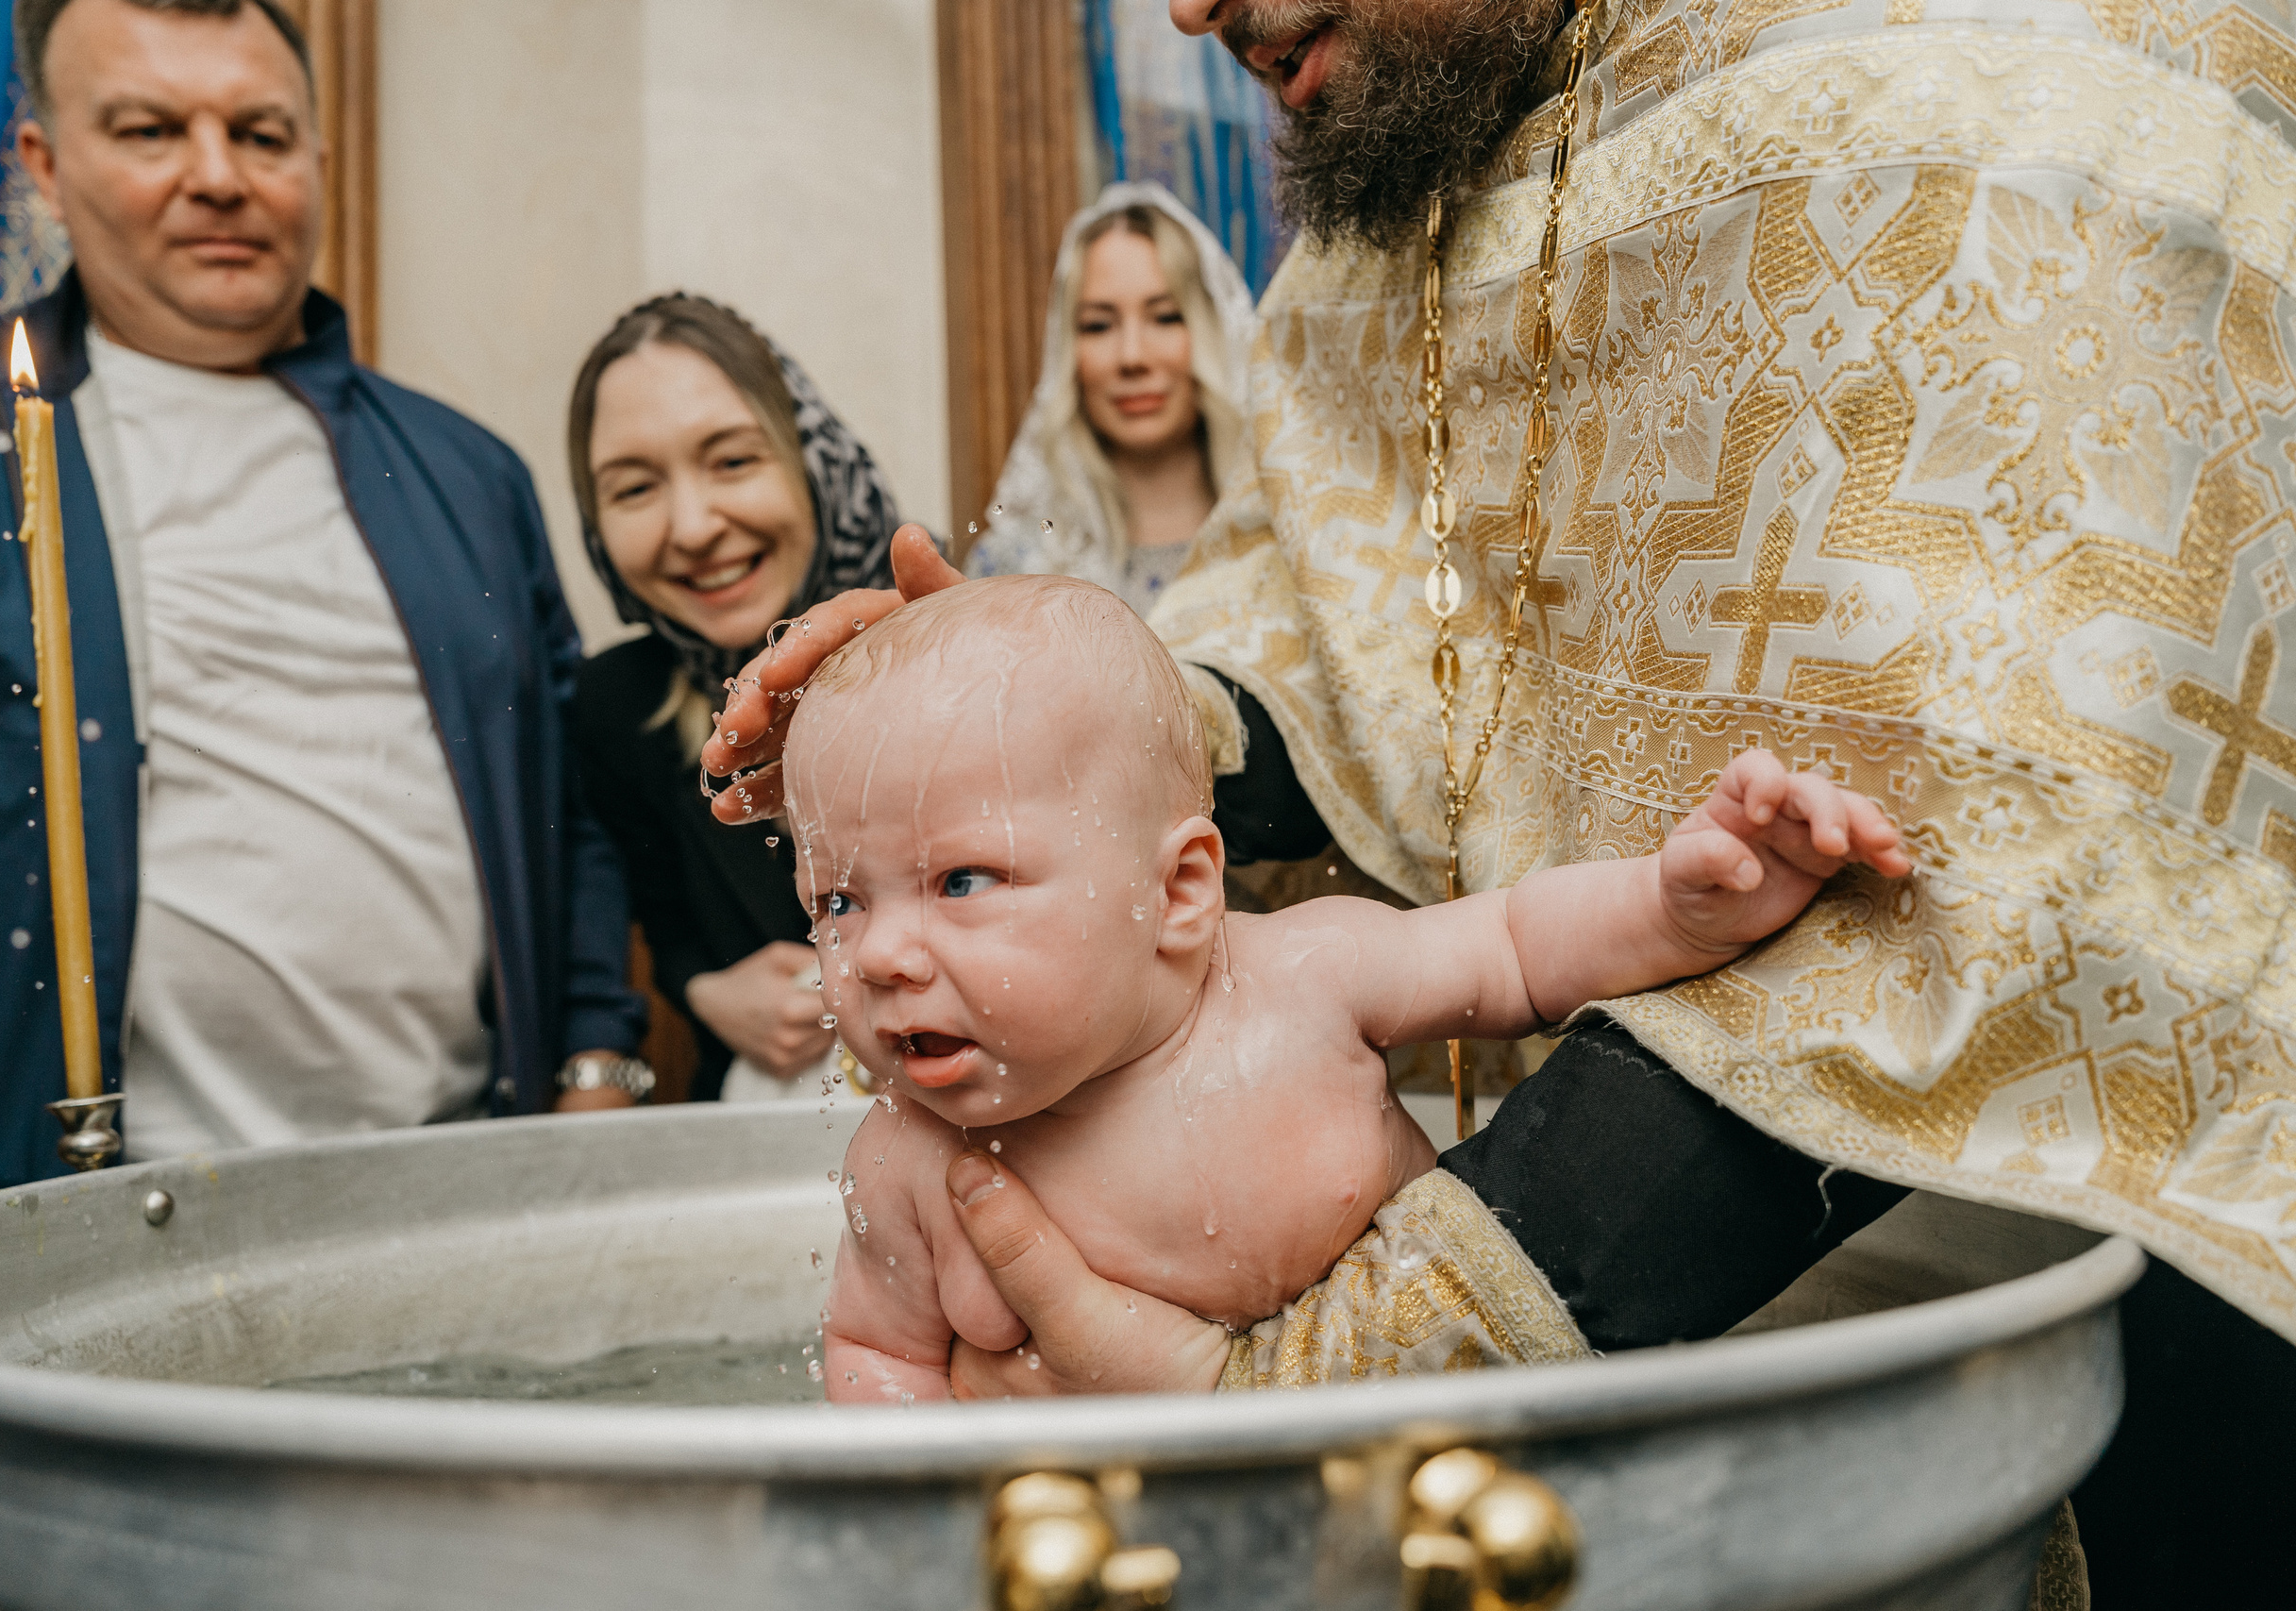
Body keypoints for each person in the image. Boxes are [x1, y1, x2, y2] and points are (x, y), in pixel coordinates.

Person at [711, 0, 2296, 1598]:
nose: (1189, 7)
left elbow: (2004, 825)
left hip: (2088, 1289)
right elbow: (1353, 646)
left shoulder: (2015, 56)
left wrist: (1322, 1386)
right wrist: (1020, 743)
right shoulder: (1422, 158)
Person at [0, 0, 645, 1211]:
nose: (218, 177)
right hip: (80, 1217)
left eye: (262, 134)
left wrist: (597, 1061)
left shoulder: (464, 473)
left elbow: (567, 811)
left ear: (316, 162)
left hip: (456, 1180)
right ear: (44, 162)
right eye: (148, 131)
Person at [796, 576, 1908, 1403]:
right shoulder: (907, 1162)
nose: (881, 955)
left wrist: (1674, 910)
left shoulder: (1304, 980)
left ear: (1180, 891)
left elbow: (1515, 948)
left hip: (1418, 1486)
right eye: (839, 902)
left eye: (962, 880)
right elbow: (876, 1355)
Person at [569, 294, 910, 1102]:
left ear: (812, 463)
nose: (691, 526)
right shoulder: (616, 708)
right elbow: (672, 928)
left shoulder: (947, 641)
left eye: (732, 461)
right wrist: (702, 989)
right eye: (634, 487)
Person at [964, 183, 1254, 618]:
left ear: (1214, 334)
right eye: (1099, 325)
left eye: (1165, 317)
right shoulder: (1014, 567)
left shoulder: (1285, 547)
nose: (1132, 357)